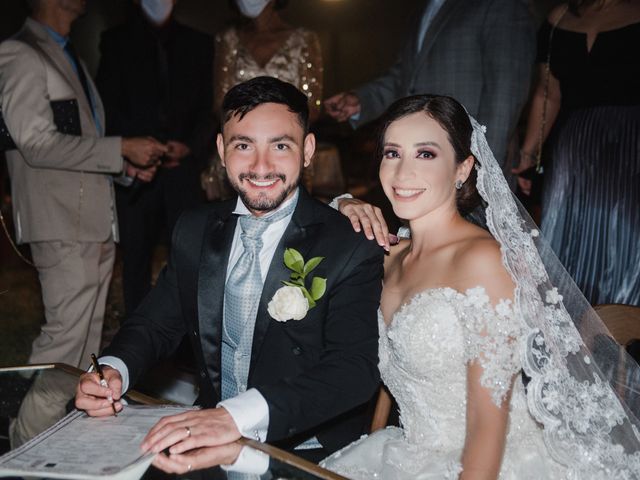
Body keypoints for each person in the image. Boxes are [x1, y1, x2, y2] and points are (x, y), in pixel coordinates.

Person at [320, 94, 640, 478]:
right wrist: (343, 204)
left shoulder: (483, 262)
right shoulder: (389, 255)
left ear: (462, 168)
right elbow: (304, 226)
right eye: (392, 153)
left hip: (489, 461)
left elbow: (488, 427)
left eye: (425, 154)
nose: (403, 172)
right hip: (410, 451)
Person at [75, 76, 384, 472]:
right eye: (243, 145)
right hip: (206, 450)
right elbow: (155, 324)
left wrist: (234, 417)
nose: (260, 166)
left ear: (307, 150)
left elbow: (353, 370)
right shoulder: (195, 229)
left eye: (280, 145)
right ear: (221, 150)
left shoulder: (349, 243)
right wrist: (113, 370)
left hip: (303, 454)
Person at [0, 0, 165, 370]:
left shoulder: (67, 53)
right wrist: (120, 147)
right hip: (60, 221)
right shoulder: (19, 53)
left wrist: (124, 167)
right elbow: (36, 144)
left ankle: (66, 425)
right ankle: (26, 429)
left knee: (84, 348)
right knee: (62, 345)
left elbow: (76, 143)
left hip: (93, 220)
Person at [513, 0, 640, 306]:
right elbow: (547, 93)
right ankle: (568, 329)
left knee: (625, 239)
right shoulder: (558, 17)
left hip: (631, 146)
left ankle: (623, 327)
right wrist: (529, 155)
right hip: (574, 148)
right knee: (566, 240)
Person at [96, 0, 215, 315]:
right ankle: (136, 340)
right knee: (135, 256)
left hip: (183, 171)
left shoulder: (199, 42)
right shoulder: (116, 40)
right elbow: (108, 104)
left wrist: (190, 146)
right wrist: (132, 150)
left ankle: (188, 339)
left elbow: (209, 107)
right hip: (136, 172)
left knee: (189, 253)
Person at [324, 0, 535, 176]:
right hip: (418, 161)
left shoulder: (501, 4)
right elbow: (405, 76)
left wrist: (482, 167)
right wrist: (360, 100)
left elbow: (505, 94)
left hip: (465, 160)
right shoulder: (421, 10)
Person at [203, 0, 323, 201]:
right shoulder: (228, 39)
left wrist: (278, 137)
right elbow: (219, 103)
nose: (261, 166)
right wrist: (246, 139)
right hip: (240, 147)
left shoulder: (304, 39)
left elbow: (313, 106)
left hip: (286, 149)